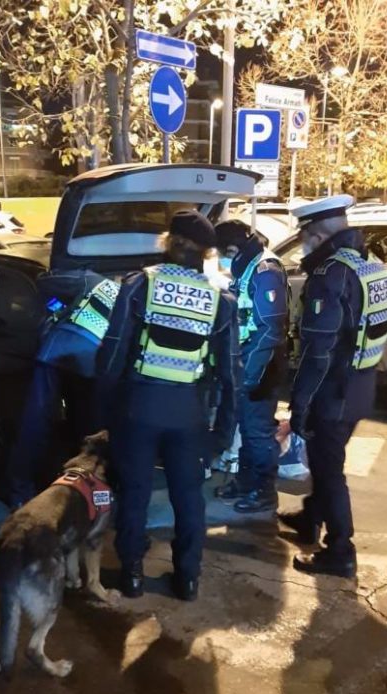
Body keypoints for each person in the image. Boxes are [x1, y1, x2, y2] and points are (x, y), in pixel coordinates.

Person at [95, 210, 240, 601]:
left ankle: (132, 575)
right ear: (207, 253)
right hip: (189, 413)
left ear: (168, 241)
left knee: (135, 492)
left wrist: (103, 410)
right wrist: (223, 431)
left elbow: (113, 353)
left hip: (138, 408)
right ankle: (188, 579)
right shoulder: (220, 300)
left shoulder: (140, 284)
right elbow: (231, 373)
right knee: (189, 496)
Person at [277, 195, 387, 578]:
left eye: (305, 237)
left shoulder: (331, 274)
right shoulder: (372, 265)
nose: (304, 244)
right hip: (361, 385)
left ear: (316, 234)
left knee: (329, 470)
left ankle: (341, 550)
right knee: (325, 459)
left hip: (333, 392)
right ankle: (311, 518)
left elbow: (318, 352)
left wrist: (300, 404)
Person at [7, 269, 120, 507]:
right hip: (94, 364)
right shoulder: (131, 298)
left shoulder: (91, 279)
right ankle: (88, 495)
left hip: (58, 350)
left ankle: (21, 493)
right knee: (91, 429)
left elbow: (42, 282)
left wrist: (57, 309)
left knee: (36, 421)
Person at [214, 220, 288, 514]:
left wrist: (249, 371)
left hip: (263, 364)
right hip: (248, 360)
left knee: (258, 431)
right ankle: (246, 482)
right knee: (246, 427)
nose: (222, 259)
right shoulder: (247, 266)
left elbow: (270, 329)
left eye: (222, 253)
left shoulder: (265, 270)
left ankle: (264, 490)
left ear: (232, 249)